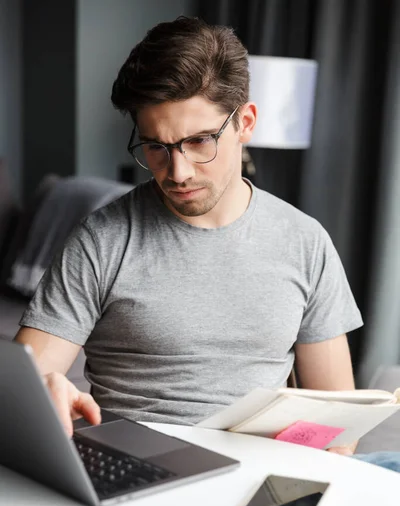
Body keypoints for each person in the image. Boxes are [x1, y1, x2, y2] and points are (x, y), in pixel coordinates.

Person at [14, 16, 377, 460]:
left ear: (245, 123)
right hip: (138, 473)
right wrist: (41, 388)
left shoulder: (305, 242)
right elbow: (23, 393)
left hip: (256, 477)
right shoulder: (102, 239)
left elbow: (339, 431)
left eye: (200, 141)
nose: (178, 172)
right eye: (156, 147)